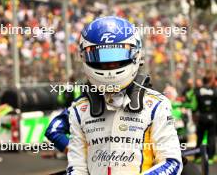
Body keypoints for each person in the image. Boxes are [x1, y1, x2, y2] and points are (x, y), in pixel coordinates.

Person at [66, 16, 183, 175]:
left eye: (116, 58)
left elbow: (171, 162)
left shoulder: (156, 105)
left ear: (136, 55)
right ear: (84, 57)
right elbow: (76, 167)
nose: (110, 65)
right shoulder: (79, 110)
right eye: (101, 59)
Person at [194, 72, 217, 165]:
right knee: (211, 137)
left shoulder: (198, 91)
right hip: (212, 117)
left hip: (201, 116)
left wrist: (194, 115)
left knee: (199, 137)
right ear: (211, 80)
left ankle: (198, 156)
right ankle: (211, 157)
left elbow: (194, 105)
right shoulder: (215, 91)